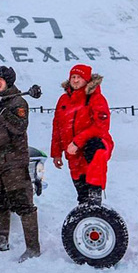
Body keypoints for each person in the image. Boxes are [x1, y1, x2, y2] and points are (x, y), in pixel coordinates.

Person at [0, 65, 41, 263]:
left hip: (13, 163)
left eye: (0, 79)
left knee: (23, 203)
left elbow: (20, 127)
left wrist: (4, 112)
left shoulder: (17, 102)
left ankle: (33, 248)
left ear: (8, 81)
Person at [50, 63, 115, 206]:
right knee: (82, 194)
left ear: (87, 79)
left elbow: (101, 127)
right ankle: (84, 217)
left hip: (92, 150)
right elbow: (57, 126)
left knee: (92, 188)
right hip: (73, 154)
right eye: (73, 77)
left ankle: (95, 205)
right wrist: (56, 153)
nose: (75, 80)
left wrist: (78, 142)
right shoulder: (63, 100)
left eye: (79, 77)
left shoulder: (96, 98)